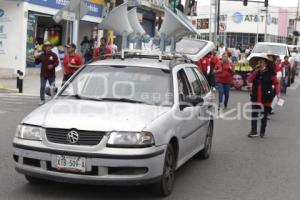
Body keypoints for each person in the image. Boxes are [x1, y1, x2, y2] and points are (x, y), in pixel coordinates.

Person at [247, 54, 280, 138]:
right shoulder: (255, 72)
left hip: (266, 98)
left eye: (261, 62)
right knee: (254, 115)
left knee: (263, 116)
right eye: (259, 62)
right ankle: (253, 131)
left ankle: (262, 131)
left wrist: (278, 92)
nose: (260, 63)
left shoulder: (271, 73)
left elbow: (276, 83)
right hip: (255, 97)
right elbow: (249, 79)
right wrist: (255, 71)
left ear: (265, 63)